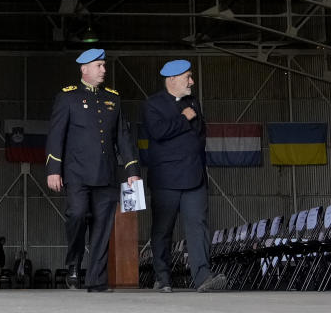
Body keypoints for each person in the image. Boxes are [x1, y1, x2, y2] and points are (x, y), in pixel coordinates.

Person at [46, 48, 140, 293]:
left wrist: (132, 169)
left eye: (104, 65)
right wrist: (53, 170)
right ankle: (74, 263)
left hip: (106, 174)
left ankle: (96, 279)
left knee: (102, 226)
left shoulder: (113, 98)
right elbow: (56, 136)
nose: (104, 70)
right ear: (84, 69)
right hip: (76, 173)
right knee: (77, 215)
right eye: (99, 65)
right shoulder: (67, 97)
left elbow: (123, 137)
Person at [144, 59, 226, 293]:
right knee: (163, 229)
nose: (192, 81)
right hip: (166, 179)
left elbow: (200, 135)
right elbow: (158, 132)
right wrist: (184, 118)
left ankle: (203, 277)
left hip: (194, 176)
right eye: (188, 77)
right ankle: (162, 277)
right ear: (172, 79)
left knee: (198, 226)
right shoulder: (153, 104)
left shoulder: (193, 103)